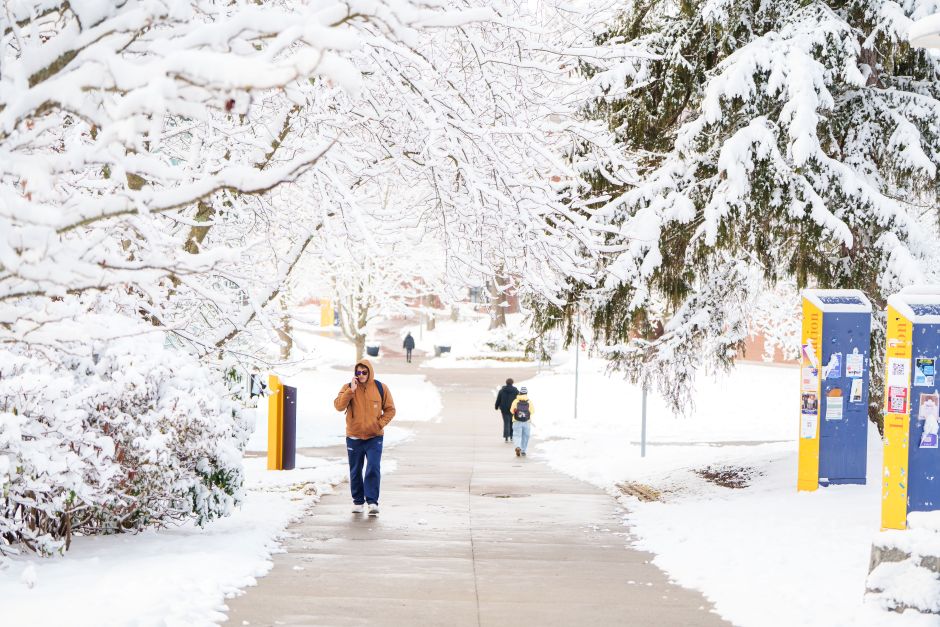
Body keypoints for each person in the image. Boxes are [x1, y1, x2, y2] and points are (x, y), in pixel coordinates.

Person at [333, 359, 396, 515]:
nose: (361, 375)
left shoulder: (381, 388)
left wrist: (379, 424)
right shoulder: (348, 387)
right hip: (354, 437)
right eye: (358, 372)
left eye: (364, 372)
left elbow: (390, 410)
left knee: (373, 467)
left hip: (374, 437)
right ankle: (358, 502)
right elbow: (338, 406)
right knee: (355, 470)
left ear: (370, 372)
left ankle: (372, 502)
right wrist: (351, 391)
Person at [510, 386, 533, 457]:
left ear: (520, 393)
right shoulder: (529, 401)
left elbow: (511, 410)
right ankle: (523, 450)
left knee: (517, 435)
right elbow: (532, 411)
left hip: (516, 421)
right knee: (525, 436)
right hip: (526, 421)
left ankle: (518, 447)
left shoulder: (515, 401)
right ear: (526, 393)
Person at [494, 378, 519, 443]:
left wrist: (496, 406)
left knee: (506, 423)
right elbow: (518, 400)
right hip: (513, 410)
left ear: (506, 383)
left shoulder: (502, 391)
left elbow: (498, 399)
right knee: (512, 423)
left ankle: (506, 437)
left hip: (504, 410)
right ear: (512, 383)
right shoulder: (516, 391)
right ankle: (511, 436)